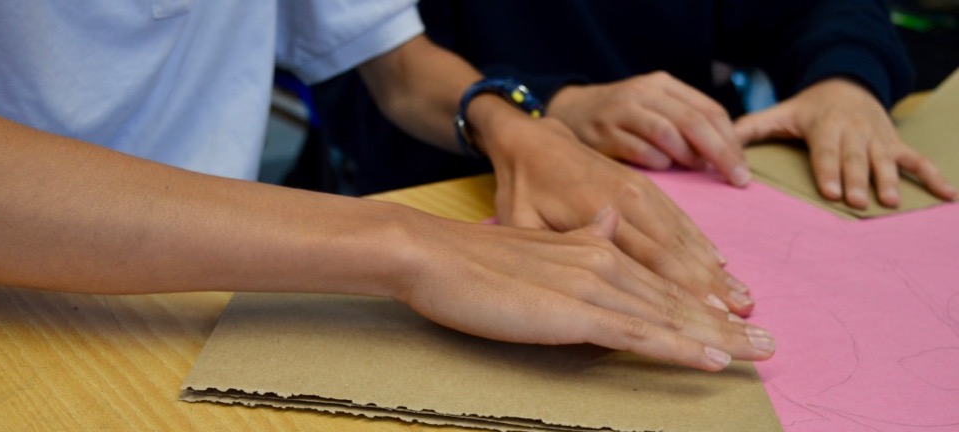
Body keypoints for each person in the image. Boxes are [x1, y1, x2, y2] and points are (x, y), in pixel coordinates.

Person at [0, 1, 774, 372]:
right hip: (5, 330)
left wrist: (511, 123)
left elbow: (389, 58)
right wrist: (401, 243)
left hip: (215, 311)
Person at [310, 0, 956, 211]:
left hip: (688, 180)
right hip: (456, 189)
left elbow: (815, 9)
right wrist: (553, 106)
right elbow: (377, 74)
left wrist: (844, 79)